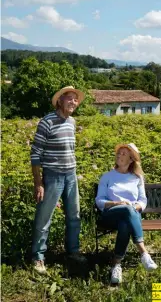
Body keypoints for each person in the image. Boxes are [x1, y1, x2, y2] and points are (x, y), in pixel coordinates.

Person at [31, 86, 85, 274]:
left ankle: (73, 251)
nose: (73, 102)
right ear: (60, 101)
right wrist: (38, 183)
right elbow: (35, 155)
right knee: (44, 218)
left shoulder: (72, 122)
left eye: (75, 99)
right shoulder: (47, 122)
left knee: (74, 216)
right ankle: (38, 257)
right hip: (52, 176)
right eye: (69, 99)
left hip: (71, 175)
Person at [95, 143, 158, 284]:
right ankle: (143, 253)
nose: (119, 155)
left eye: (123, 154)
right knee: (126, 210)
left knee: (125, 223)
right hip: (110, 214)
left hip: (130, 214)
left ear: (131, 160)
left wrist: (134, 207)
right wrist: (116, 204)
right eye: (118, 153)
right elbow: (99, 201)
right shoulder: (107, 177)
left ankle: (116, 265)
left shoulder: (137, 178)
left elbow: (142, 201)